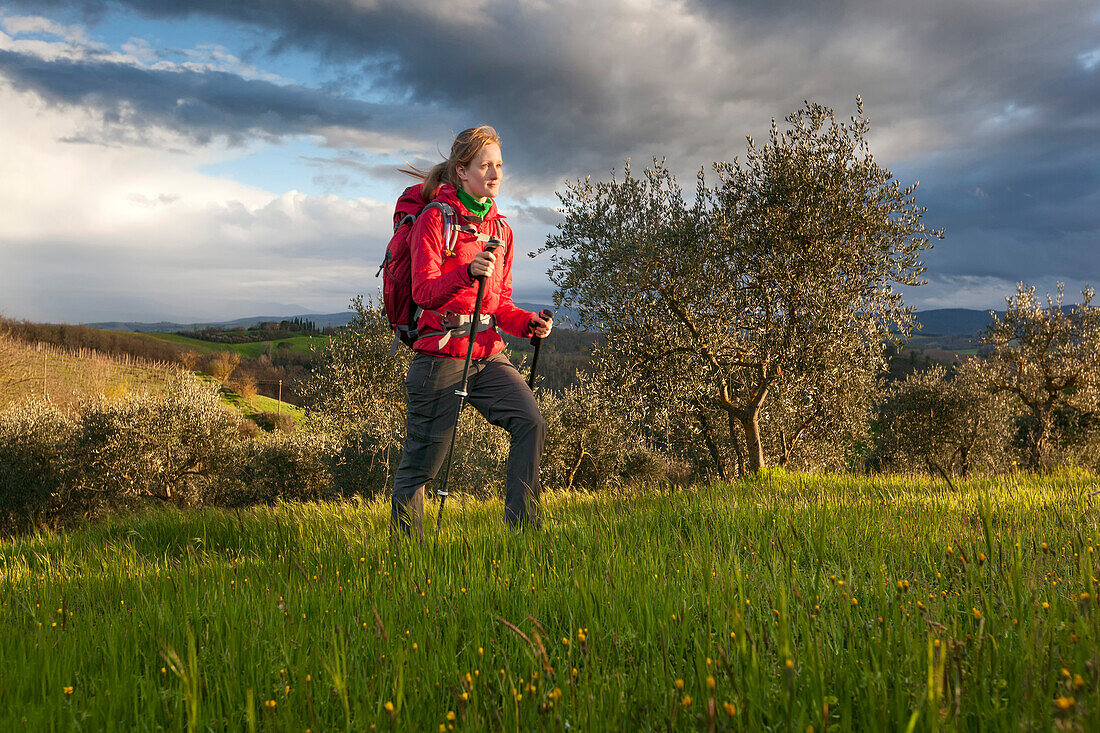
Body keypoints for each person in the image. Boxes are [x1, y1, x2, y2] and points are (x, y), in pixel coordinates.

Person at [392, 125, 553, 538]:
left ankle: (522, 534)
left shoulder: (501, 229)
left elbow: (499, 303)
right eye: (486, 166)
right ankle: (405, 555)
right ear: (462, 171)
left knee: (530, 421)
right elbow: (424, 291)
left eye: (499, 165)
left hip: (486, 353)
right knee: (422, 465)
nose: (495, 174)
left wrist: (528, 324)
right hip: (440, 356)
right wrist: (466, 271)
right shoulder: (434, 219)